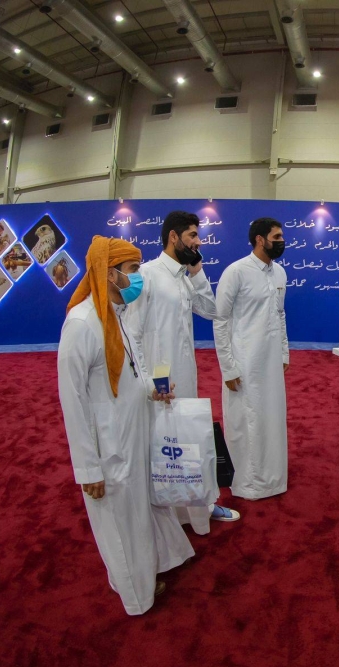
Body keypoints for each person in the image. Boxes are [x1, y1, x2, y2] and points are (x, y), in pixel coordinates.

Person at [57, 236, 194, 615]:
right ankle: (136, 597)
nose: (139, 278)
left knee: (137, 513)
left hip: (134, 434)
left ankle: (145, 574)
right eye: (133, 270)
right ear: (110, 274)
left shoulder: (116, 315)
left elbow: (134, 370)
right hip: (107, 448)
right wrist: (87, 468)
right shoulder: (82, 324)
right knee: (118, 524)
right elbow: (72, 401)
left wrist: (154, 390)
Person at [126, 210, 240, 532]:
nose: (198, 241)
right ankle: (168, 518)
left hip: (186, 378)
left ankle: (199, 509)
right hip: (159, 385)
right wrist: (151, 381)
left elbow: (212, 311)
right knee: (162, 448)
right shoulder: (146, 275)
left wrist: (197, 271)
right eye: (192, 235)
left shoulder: (184, 279)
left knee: (189, 444)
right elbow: (133, 334)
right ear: (173, 237)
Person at [213, 218, 289, 500]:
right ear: (260, 239)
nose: (282, 241)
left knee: (271, 417)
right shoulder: (236, 272)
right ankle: (247, 483)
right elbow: (220, 320)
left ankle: (273, 478)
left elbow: (280, 314)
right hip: (244, 362)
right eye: (277, 237)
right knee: (246, 421)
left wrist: (283, 351)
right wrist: (228, 367)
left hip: (271, 361)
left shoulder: (280, 273)